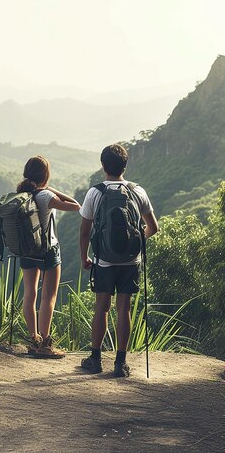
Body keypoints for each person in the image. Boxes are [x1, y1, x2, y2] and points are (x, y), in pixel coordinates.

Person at [79, 144, 158, 377]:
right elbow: (153, 228)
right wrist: (133, 241)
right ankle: (120, 364)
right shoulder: (138, 191)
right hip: (131, 261)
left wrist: (85, 257)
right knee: (124, 309)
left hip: (103, 260)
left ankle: (95, 359)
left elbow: (84, 232)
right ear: (125, 165)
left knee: (101, 308)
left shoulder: (95, 192)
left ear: (103, 166)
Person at [18, 155, 81, 358]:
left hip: (27, 250)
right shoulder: (45, 196)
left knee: (30, 294)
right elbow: (76, 206)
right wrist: (51, 190)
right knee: (48, 297)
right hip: (48, 251)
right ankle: (45, 344)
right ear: (46, 176)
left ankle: (33, 339)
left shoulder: (21, 194)